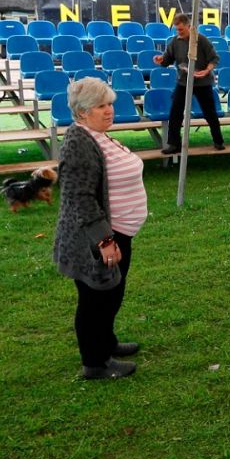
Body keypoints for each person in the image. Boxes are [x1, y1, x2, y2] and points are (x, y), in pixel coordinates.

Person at [54, 77, 147, 380]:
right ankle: (95, 362)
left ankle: (107, 343)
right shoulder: (80, 142)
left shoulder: (97, 134)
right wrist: (105, 240)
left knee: (112, 293)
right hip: (97, 239)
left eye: (109, 104)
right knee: (96, 299)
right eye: (100, 106)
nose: (109, 110)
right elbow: (80, 198)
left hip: (117, 233)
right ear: (82, 112)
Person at [154, 15, 224, 153]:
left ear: (188, 26)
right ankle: (174, 144)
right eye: (177, 30)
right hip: (183, 81)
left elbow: (215, 58)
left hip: (203, 82)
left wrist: (206, 71)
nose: (178, 32)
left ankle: (218, 141)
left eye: (181, 29)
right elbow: (167, 59)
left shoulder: (201, 40)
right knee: (175, 111)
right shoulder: (175, 41)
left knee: (209, 112)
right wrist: (160, 59)